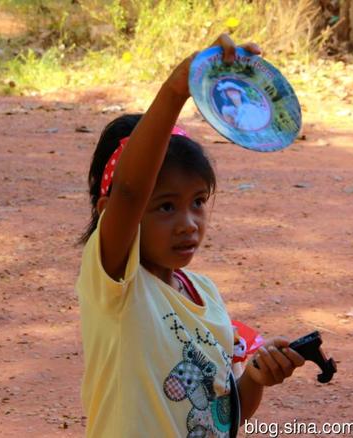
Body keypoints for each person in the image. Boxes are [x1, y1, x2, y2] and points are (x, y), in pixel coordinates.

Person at [76, 34, 305, 438]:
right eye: (165, 206)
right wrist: (178, 88)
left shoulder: (207, 296)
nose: (188, 222)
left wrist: (254, 377)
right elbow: (129, 190)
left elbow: (224, 413)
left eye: (198, 201)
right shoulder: (117, 286)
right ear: (110, 212)